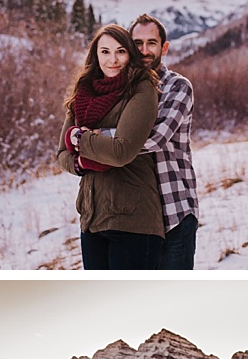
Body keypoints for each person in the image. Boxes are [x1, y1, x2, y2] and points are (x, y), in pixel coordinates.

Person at [76, 17, 198, 268]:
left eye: (151, 43)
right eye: (137, 43)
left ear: (164, 48)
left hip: (173, 208)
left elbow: (154, 138)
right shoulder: (123, 87)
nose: (144, 50)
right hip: (135, 212)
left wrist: (90, 138)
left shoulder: (177, 86)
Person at [59, 27, 163, 270]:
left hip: (133, 219)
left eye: (120, 51)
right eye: (105, 51)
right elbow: (62, 154)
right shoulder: (82, 92)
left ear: (130, 55)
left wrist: (79, 138)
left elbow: (121, 152)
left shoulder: (142, 88)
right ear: (95, 55)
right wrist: (82, 162)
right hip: (92, 217)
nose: (112, 59)